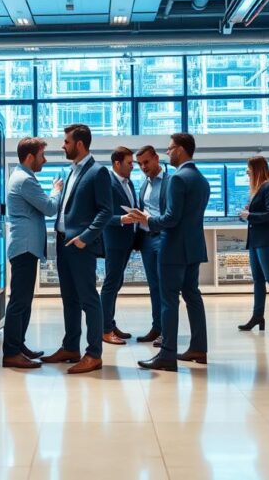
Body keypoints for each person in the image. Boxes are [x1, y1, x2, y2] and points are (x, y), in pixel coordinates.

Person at [123, 133, 209, 371]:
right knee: (192, 296)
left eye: (170, 148)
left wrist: (148, 220)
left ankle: (167, 355)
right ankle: (199, 348)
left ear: (181, 149)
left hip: (173, 248)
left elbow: (171, 218)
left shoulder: (178, 178)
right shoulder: (201, 178)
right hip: (194, 247)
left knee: (168, 299)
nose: (168, 152)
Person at [41, 124, 112, 374]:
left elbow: (106, 211)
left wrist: (86, 237)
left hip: (80, 245)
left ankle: (94, 354)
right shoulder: (70, 172)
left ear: (79, 144)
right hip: (63, 243)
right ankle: (71, 347)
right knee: (69, 299)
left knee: (88, 299)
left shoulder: (98, 172)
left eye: (66, 142)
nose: (63, 145)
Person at [2, 138, 63, 368]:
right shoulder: (25, 180)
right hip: (24, 247)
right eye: (42, 155)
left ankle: (18, 345)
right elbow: (49, 207)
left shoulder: (22, 177)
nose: (44, 160)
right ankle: (11, 352)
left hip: (25, 247)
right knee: (19, 301)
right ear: (30, 156)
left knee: (24, 301)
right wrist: (56, 190)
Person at [238, 156, 269, 337]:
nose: (247, 172)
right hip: (255, 240)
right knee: (258, 280)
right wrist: (247, 213)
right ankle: (257, 316)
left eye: (248, 169)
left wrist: (249, 215)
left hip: (266, 240)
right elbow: (260, 212)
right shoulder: (258, 189)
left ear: (257, 169)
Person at [101, 146, 139, 346]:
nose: (133, 166)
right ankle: (105, 329)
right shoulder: (107, 182)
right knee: (110, 284)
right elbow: (102, 214)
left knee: (116, 283)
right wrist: (122, 219)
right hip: (114, 239)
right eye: (129, 163)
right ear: (117, 163)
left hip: (127, 240)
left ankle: (110, 323)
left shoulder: (129, 183)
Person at [134, 145, 169, 346]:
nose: (143, 167)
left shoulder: (169, 181)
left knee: (165, 287)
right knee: (154, 287)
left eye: (146, 162)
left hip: (162, 237)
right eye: (140, 164)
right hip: (147, 240)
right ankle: (157, 327)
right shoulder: (143, 185)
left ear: (156, 158)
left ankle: (166, 331)